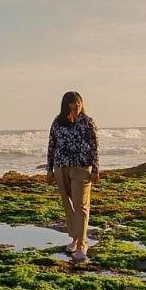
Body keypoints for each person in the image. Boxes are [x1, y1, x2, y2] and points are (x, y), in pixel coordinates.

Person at [46, 91, 100, 261]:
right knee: (68, 205)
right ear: (65, 105)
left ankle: (82, 243)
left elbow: (94, 146)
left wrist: (96, 169)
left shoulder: (87, 122)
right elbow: (51, 145)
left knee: (81, 205)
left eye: (78, 102)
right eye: (72, 103)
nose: (76, 105)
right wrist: (49, 169)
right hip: (61, 167)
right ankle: (75, 238)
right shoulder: (58, 122)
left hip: (81, 168)